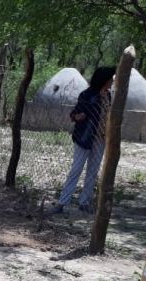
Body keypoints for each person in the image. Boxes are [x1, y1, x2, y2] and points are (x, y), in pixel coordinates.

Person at [49, 66, 116, 215]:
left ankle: (84, 202)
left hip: (101, 138)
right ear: (103, 80)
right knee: (76, 170)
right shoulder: (87, 95)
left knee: (92, 172)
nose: (112, 81)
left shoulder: (108, 96)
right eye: (110, 79)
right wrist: (78, 117)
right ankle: (62, 203)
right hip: (84, 137)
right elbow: (74, 113)